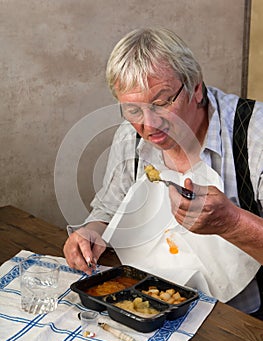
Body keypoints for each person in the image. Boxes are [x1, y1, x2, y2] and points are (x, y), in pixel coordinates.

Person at [63, 28, 263, 316]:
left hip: (240, 319)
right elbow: (108, 210)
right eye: (132, 109)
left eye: (161, 103)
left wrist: (232, 222)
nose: (148, 125)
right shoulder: (130, 137)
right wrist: (90, 233)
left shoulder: (254, 134)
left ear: (195, 87)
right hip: (152, 305)